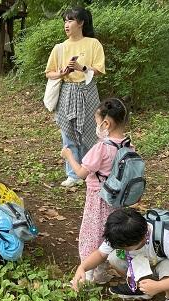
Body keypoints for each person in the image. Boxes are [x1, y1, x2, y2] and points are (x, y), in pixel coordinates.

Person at [61, 98, 131, 283]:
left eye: (97, 122)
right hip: (118, 200)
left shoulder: (101, 148)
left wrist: (69, 156)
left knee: (91, 233)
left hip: (98, 198)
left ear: (106, 123)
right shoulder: (127, 144)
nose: (97, 126)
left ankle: (87, 275)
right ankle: (101, 272)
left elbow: (82, 173)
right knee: (109, 232)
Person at [45, 7, 106, 187]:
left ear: (81, 23)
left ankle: (88, 171)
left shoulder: (94, 44)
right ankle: (72, 174)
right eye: (65, 21)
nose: (67, 24)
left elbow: (99, 71)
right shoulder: (60, 48)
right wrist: (62, 73)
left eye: (71, 20)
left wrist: (82, 68)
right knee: (68, 132)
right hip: (67, 91)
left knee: (89, 132)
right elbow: (49, 73)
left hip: (88, 91)